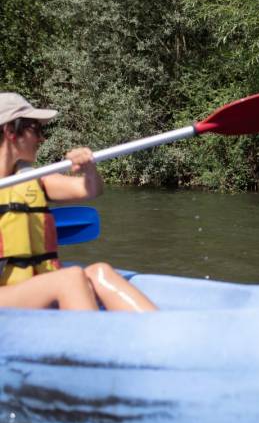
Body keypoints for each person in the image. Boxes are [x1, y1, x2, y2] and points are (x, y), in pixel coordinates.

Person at [0, 92, 157, 311]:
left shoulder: (33, 180)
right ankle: (92, 343)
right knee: (70, 278)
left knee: (100, 272)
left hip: (36, 284)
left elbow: (91, 189)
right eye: (35, 129)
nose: (41, 138)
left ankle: (162, 333)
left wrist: (89, 168)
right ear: (10, 132)